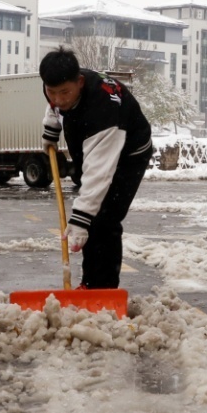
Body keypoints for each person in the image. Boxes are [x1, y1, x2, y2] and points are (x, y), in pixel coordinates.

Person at [39, 49, 153, 290]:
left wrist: (81, 219)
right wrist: (51, 127)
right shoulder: (58, 86)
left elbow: (99, 174)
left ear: (79, 82)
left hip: (128, 153)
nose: (58, 99)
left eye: (64, 93)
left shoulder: (103, 111)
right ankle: (89, 283)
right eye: (52, 92)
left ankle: (102, 288)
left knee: (104, 218)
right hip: (88, 142)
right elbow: (54, 106)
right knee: (90, 213)